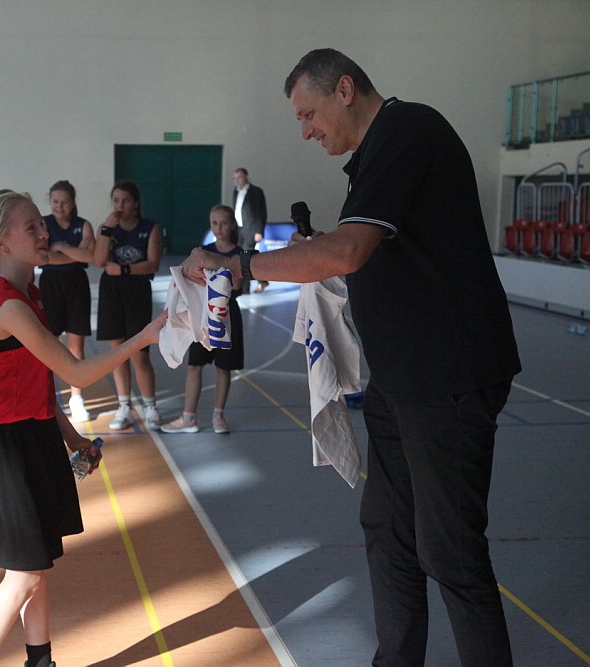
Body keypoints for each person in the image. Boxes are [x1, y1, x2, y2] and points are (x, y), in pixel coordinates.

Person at [183, 48, 521, 666]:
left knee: (450, 552)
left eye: (308, 114)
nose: (306, 131)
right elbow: (368, 253)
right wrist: (315, 253)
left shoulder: (407, 130)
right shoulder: (373, 155)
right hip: (401, 377)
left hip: (447, 375)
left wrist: (238, 265)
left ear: (344, 89)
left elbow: (349, 252)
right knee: (388, 532)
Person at [0, 191, 166, 667]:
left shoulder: (28, 296)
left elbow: (38, 384)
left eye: (41, 224)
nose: (43, 232)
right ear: (0, 243)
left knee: (37, 567)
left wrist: (72, 438)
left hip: (36, 435)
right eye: (30, 227)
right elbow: (76, 373)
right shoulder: (7, 306)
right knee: (24, 575)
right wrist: (143, 336)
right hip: (9, 448)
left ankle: (40, 660)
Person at [161, 205, 244, 435]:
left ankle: (218, 416)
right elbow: (191, 277)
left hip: (227, 315)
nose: (219, 227)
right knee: (194, 365)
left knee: (223, 368)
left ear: (232, 225)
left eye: (224, 223)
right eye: (215, 223)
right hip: (203, 312)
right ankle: (188, 417)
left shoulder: (239, 255)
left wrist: (216, 274)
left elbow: (236, 284)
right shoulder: (203, 252)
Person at [93, 179, 162, 431]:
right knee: (118, 353)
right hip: (112, 293)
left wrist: (124, 269)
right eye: (116, 200)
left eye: (125, 201)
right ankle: (124, 407)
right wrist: (106, 231)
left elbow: (153, 264)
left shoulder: (149, 228)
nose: (120, 205)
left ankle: (151, 407)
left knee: (140, 354)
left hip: (137, 292)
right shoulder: (107, 228)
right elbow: (99, 261)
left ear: (135, 203)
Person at [38, 180, 96, 423]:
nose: (59, 206)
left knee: (76, 348)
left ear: (72, 204)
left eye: (64, 202)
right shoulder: (43, 224)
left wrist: (60, 247)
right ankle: (46, 397)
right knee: (48, 345)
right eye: (55, 202)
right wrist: (75, 253)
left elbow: (91, 256)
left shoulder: (83, 225)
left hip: (77, 286)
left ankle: (77, 399)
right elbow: (44, 257)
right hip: (50, 286)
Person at [232, 167, 269, 292]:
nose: (237, 180)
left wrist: (259, 231)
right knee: (242, 257)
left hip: (251, 229)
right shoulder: (236, 192)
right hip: (239, 230)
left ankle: (245, 288)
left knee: (246, 258)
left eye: (240, 177)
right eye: (235, 178)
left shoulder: (256, 192)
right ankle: (262, 281)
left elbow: (261, 212)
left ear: (246, 177)